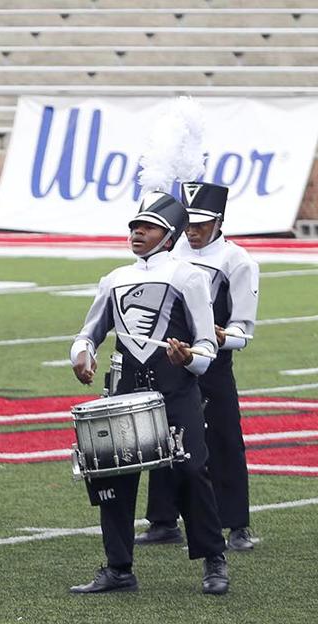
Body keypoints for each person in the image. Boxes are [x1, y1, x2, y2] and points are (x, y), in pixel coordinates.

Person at [68, 192, 229, 594]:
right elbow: (89, 332)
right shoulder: (114, 279)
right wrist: (82, 354)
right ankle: (119, 568)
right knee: (113, 476)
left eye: (148, 227)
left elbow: (207, 347)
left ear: (169, 236)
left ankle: (214, 559)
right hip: (124, 391)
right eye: (134, 227)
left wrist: (187, 358)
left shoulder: (189, 276)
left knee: (192, 471)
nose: (137, 233)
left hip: (177, 392)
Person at [135, 182, 260, 551]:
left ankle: (236, 524)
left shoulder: (237, 260)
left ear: (219, 221)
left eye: (202, 223)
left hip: (213, 363)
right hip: (170, 361)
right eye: (188, 222)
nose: (193, 229)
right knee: (163, 439)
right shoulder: (169, 253)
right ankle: (162, 520)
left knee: (222, 438)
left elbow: (244, 329)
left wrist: (220, 337)